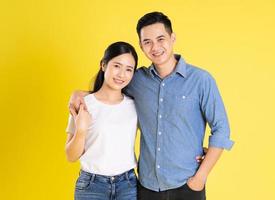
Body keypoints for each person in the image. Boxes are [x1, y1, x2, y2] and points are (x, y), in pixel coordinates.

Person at [69, 12, 234, 200]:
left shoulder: (201, 80)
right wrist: (78, 94)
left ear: (172, 38)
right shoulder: (136, 79)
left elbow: (222, 129)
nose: (155, 47)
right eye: (147, 42)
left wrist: (201, 176)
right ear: (141, 46)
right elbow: (110, 90)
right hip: (146, 188)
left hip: (188, 185)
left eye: (160, 39)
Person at [65, 41, 139, 200]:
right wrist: (81, 130)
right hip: (91, 186)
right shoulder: (83, 104)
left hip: (128, 185)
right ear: (103, 65)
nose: (121, 75)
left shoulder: (135, 106)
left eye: (128, 69)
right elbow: (70, 156)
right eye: (117, 66)